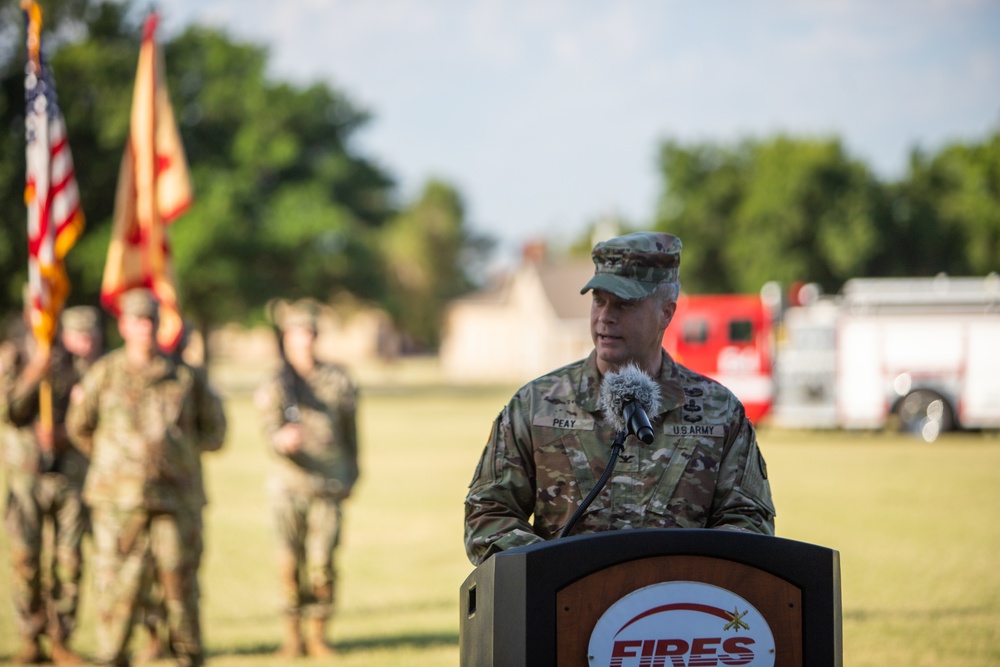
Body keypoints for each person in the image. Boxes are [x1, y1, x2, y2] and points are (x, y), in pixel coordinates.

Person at [464, 232, 776, 565]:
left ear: (666, 312)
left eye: (624, 304)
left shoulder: (719, 411)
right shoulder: (535, 405)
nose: (605, 317)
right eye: (599, 300)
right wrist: (553, 570)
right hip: (563, 609)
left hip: (676, 609)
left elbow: (750, 523)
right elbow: (487, 515)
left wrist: (682, 576)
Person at [66, 289, 227, 667]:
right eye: (136, 321)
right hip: (118, 502)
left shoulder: (186, 377)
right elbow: (80, 427)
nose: (144, 328)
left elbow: (214, 432)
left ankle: (187, 654)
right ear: (123, 326)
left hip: (176, 500)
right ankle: (112, 655)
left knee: (181, 585)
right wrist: (118, 463)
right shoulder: (105, 373)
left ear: (158, 324)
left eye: (150, 320)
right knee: (116, 585)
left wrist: (177, 457)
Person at [254, 300, 359, 658]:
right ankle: (292, 637)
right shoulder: (277, 383)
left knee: (322, 564)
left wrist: (352, 475)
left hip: (327, 484)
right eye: (298, 332)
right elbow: (267, 429)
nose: (305, 340)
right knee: (287, 563)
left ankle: (318, 635)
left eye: (311, 332)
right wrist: (281, 440)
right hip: (288, 486)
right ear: (286, 337)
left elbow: (351, 434)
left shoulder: (338, 380)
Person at [0, 306, 100, 664]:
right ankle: (31, 637)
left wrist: (63, 433)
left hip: (68, 476)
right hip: (26, 476)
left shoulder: (76, 361)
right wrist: (34, 372)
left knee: (69, 560)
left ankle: (62, 639)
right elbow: (8, 409)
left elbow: (91, 413)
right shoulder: (12, 357)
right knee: (26, 558)